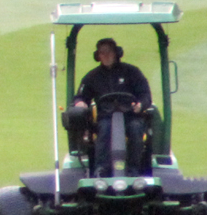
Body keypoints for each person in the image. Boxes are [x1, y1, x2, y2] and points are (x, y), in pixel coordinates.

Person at [64, 37, 154, 175]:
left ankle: (133, 169)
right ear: (98, 56)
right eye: (102, 53)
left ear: (116, 53)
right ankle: (101, 169)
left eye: (109, 52)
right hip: (105, 116)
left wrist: (140, 105)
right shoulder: (92, 77)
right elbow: (81, 96)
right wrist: (80, 103)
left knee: (136, 129)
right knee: (104, 129)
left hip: (130, 115)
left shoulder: (132, 72)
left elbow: (145, 94)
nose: (105, 55)